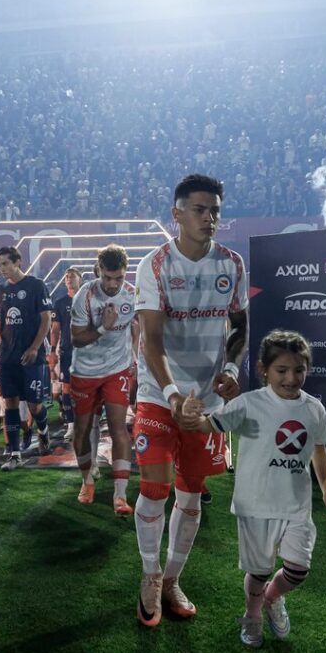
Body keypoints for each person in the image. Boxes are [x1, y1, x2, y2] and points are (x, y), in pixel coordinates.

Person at [132, 174, 248, 627]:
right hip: (160, 396)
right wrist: (172, 393)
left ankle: (173, 579)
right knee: (155, 489)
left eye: (215, 210)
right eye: (200, 209)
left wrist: (231, 370)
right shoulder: (156, 265)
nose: (210, 218)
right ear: (177, 214)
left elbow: (239, 326)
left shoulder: (232, 264)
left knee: (192, 493)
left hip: (206, 404)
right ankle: (149, 575)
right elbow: (151, 340)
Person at [182, 329, 326, 648]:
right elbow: (207, 424)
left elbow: (319, 448)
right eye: (282, 370)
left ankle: (272, 598)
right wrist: (190, 413)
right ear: (264, 370)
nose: (291, 378)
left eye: (299, 370)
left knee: (298, 569)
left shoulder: (314, 409)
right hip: (254, 504)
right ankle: (252, 614)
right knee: (259, 569)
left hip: (296, 505)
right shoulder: (249, 404)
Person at [70, 245, 139, 515]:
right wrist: (102, 327)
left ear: (125, 274)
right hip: (85, 371)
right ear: (99, 271)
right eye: (108, 278)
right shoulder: (85, 295)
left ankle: (119, 497)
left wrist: (134, 358)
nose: (112, 284)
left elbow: (138, 328)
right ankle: (87, 481)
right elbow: (76, 339)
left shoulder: (133, 295)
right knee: (81, 431)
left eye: (119, 278)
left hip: (117, 369)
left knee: (119, 427)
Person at [0, 245, 53, 471]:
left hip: (32, 357)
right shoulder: (0, 290)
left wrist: (35, 348)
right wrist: (1, 349)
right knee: (11, 404)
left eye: (5, 264)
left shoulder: (36, 286)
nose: (2, 269)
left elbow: (46, 319)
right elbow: (1, 322)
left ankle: (43, 431)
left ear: (18, 262)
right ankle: (15, 454)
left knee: (35, 406)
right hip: (8, 358)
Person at [49, 267, 81, 442]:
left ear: (80, 280)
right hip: (67, 351)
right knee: (66, 388)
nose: (69, 279)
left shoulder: (87, 299)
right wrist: (52, 351)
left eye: (72, 276)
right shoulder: (60, 303)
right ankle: (71, 425)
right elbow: (55, 329)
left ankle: (89, 422)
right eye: (67, 277)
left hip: (87, 352)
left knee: (87, 387)